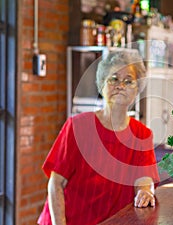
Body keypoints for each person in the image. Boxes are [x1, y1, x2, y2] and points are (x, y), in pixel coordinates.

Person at [38, 50, 160, 225]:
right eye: (114, 79)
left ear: (137, 90)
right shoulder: (77, 127)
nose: (120, 85)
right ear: (102, 84)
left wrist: (145, 192)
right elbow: (56, 184)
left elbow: (144, 180)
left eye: (129, 81)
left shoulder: (142, 135)